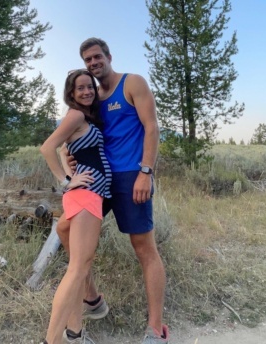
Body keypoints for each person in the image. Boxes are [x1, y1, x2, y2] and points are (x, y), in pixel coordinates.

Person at [57, 37, 169, 344]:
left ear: (108, 56)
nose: (93, 63)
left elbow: (152, 127)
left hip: (132, 176)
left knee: (144, 247)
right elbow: (86, 135)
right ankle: (92, 300)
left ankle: (156, 330)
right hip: (97, 182)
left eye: (97, 57)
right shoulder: (92, 97)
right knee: (65, 230)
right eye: (88, 60)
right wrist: (72, 158)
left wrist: (146, 172)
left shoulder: (132, 83)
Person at [40, 68, 112, 344]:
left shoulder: (82, 118)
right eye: (80, 88)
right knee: (78, 270)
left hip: (86, 197)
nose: (86, 92)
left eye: (90, 87)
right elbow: (48, 147)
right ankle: (53, 341)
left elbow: (62, 146)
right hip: (85, 195)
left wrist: (65, 158)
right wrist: (66, 180)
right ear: (71, 93)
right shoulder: (77, 114)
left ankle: (75, 334)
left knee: (79, 266)